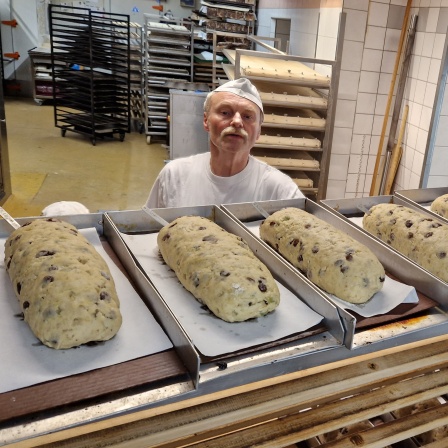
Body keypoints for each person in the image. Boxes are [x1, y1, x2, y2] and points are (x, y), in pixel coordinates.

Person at [145, 77, 305, 208]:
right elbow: (146, 232)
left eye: (247, 116)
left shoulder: (280, 190)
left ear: (258, 133)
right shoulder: (174, 176)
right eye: (225, 112)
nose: (237, 122)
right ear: (206, 121)